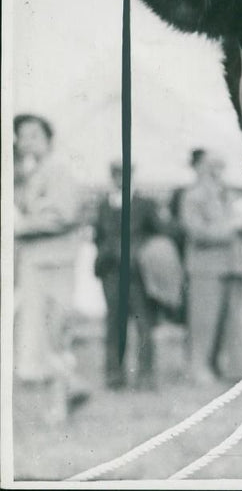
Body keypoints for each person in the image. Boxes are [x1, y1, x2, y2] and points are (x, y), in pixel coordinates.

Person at [13, 113, 88, 423]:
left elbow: (64, 214)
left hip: (53, 262)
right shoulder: (32, 173)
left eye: (34, 134)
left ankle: (63, 398)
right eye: (22, 135)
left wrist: (19, 228)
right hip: (37, 262)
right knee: (42, 335)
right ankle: (64, 396)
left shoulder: (58, 169)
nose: (27, 140)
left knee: (54, 332)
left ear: (47, 137)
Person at [180, 148, 242, 383]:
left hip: (233, 266)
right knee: (203, 323)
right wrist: (232, 228)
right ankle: (198, 368)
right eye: (213, 168)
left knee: (231, 323)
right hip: (205, 268)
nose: (218, 172)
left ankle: (228, 368)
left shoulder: (229, 195)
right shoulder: (193, 196)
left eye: (221, 167)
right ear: (202, 169)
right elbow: (196, 232)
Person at [93, 160, 163, 390]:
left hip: (138, 274)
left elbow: (161, 232)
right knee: (114, 324)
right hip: (111, 273)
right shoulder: (104, 205)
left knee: (143, 323)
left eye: (124, 175)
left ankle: (145, 376)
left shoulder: (145, 204)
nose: (120, 179)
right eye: (116, 175)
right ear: (111, 177)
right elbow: (97, 235)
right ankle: (114, 376)